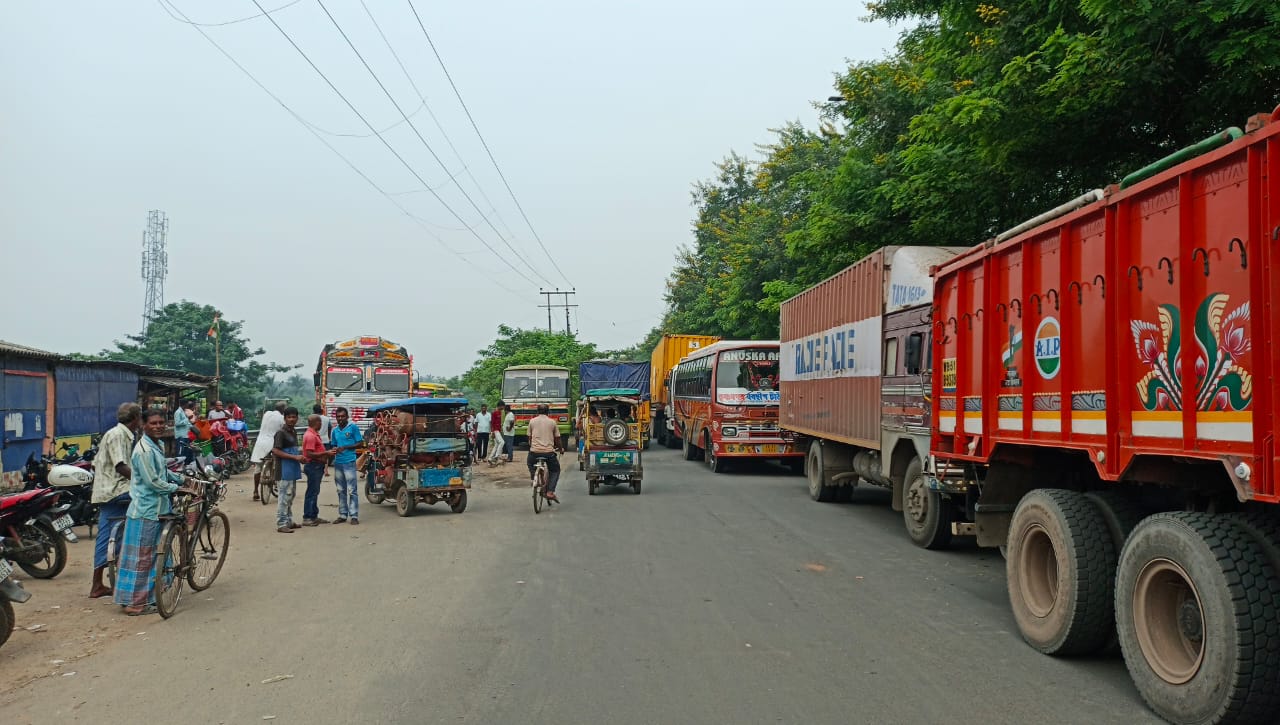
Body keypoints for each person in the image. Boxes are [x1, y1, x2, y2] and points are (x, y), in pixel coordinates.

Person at [113, 408, 195, 616]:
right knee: (142, 559)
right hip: (146, 511)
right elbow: (153, 482)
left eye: (161, 423)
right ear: (143, 425)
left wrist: (180, 478)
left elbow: (162, 471)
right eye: (153, 423)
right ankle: (135, 604)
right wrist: (176, 488)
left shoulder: (156, 445)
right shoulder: (145, 450)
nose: (158, 426)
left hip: (157, 509)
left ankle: (146, 598)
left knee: (149, 557)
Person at [89, 402, 143, 599]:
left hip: (109, 490)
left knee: (108, 534)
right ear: (136, 419)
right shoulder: (119, 435)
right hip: (115, 490)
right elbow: (121, 466)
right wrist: (141, 481)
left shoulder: (119, 434)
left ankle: (100, 582)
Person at [271, 407, 305, 533]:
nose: (292, 419)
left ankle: (289, 521)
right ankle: (281, 524)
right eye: (289, 417)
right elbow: (275, 450)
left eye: (294, 417)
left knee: (290, 496)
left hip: (292, 469)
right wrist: (295, 457)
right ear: (285, 418)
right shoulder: (281, 433)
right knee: (284, 497)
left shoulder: (293, 431)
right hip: (283, 470)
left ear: (297, 418)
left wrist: (299, 457)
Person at [329, 407, 363, 525]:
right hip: (338, 463)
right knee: (340, 490)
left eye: (342, 416)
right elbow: (333, 444)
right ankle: (342, 514)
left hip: (349, 462)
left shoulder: (353, 427)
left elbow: (360, 442)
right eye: (338, 417)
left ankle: (354, 515)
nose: (340, 419)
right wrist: (334, 450)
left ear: (347, 417)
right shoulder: (335, 431)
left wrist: (346, 447)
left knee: (352, 490)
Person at [250, 402, 287, 501]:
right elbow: (282, 432)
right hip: (272, 443)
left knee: (258, 467)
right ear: (283, 409)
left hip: (260, 442)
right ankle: (276, 483)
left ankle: (255, 491)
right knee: (277, 463)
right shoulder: (282, 419)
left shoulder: (267, 414)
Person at [526, 404, 563, 501]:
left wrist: (532, 446)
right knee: (555, 470)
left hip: (534, 452)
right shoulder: (552, 422)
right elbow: (557, 438)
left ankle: (534, 475)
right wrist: (561, 448)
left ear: (537, 411)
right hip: (548, 453)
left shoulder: (532, 421)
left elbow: (529, 438)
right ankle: (550, 492)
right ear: (548, 412)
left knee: (530, 463)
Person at [301, 414, 332, 526]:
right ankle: (308, 517)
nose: (321, 424)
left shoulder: (314, 434)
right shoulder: (310, 436)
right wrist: (325, 453)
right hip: (313, 465)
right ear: (316, 422)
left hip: (317, 466)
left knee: (314, 491)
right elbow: (309, 453)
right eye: (320, 422)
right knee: (312, 492)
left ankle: (313, 515)